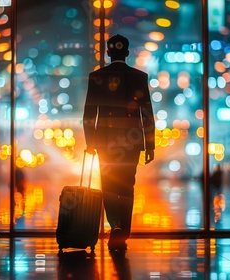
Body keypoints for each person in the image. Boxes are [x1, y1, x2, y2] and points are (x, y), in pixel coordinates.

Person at [83, 34, 155, 253]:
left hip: (105, 143)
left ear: (107, 53)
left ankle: (114, 225)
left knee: (109, 185)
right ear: (127, 53)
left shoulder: (96, 77)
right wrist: (149, 145)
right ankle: (122, 231)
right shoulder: (139, 77)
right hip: (131, 143)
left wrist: (90, 143)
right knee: (127, 185)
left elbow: (88, 114)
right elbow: (147, 114)